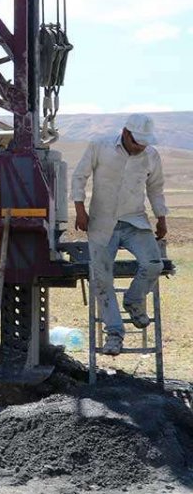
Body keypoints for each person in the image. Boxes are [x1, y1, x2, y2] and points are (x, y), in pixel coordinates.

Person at [71, 114, 167, 356]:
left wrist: (161, 217)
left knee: (154, 264)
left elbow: (155, 188)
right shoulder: (99, 146)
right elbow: (79, 176)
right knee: (102, 280)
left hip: (135, 221)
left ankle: (134, 301)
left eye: (144, 144)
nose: (140, 148)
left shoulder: (151, 156)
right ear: (126, 134)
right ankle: (114, 333)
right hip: (102, 224)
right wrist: (80, 210)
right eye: (137, 143)